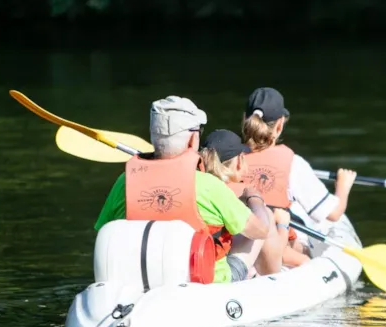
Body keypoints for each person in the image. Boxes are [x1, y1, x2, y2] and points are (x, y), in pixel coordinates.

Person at [93, 96, 272, 284]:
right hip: (205, 283)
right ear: (192, 139)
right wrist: (254, 198)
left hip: (138, 283)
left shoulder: (124, 182)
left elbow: (103, 232)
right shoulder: (209, 186)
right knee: (261, 222)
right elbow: (260, 231)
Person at [240, 87, 357, 241]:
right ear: (280, 125)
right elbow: (333, 214)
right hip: (277, 245)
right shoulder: (294, 164)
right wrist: (343, 186)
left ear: (244, 119)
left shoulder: (229, 157)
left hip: (238, 241)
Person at [200, 129, 306, 269]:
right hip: (221, 272)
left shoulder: (195, 186)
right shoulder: (234, 196)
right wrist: (283, 225)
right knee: (266, 218)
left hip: (197, 264)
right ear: (238, 162)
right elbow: (273, 262)